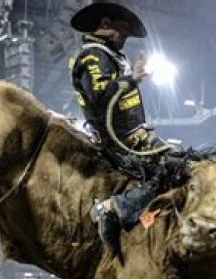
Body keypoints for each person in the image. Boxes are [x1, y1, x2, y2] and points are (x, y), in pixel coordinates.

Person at [69, 1, 174, 257]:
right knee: (173, 170)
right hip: (123, 144)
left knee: (181, 165)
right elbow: (99, 95)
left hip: (136, 137)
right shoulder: (92, 56)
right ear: (106, 24)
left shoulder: (110, 55)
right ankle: (113, 209)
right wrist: (132, 79)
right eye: (123, 30)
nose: (126, 37)